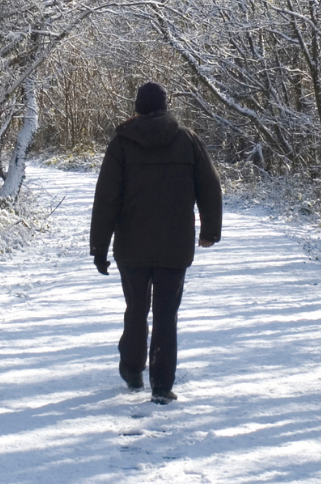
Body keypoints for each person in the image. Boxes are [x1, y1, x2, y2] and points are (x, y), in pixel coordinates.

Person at [90, 82, 223, 404]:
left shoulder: (122, 144)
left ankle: (132, 369)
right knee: (166, 314)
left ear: (137, 108)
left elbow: (106, 199)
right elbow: (210, 187)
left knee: (136, 308)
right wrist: (210, 231)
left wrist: (99, 248)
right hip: (175, 244)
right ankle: (162, 386)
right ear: (166, 106)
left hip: (131, 245)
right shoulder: (188, 140)